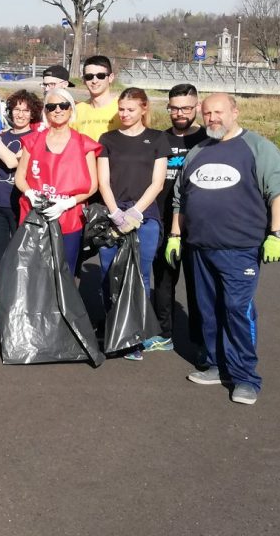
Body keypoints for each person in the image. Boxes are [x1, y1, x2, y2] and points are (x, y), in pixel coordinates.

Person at [168, 93, 280, 406]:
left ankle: (245, 377)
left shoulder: (257, 148)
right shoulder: (198, 151)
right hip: (199, 247)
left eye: (218, 112)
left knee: (237, 310)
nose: (212, 119)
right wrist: (174, 234)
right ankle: (215, 364)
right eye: (207, 113)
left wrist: (277, 234)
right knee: (207, 310)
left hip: (240, 249)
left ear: (235, 112)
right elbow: (180, 198)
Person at [96, 87, 169, 359]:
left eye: (130, 109)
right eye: (121, 109)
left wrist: (136, 213)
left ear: (143, 109)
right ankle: (114, 331)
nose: (124, 114)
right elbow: (103, 181)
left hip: (144, 218)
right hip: (112, 215)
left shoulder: (157, 139)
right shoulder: (108, 139)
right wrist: (115, 213)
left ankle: (135, 337)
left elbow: (157, 182)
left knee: (141, 275)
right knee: (108, 273)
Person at [145, 83, 207, 353]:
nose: (180, 113)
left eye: (186, 108)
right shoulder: (160, 140)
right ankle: (163, 333)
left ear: (197, 107)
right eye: (174, 108)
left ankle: (201, 338)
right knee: (163, 281)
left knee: (199, 285)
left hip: (196, 226)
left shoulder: (208, 140)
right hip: (162, 221)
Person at [15, 87, 101, 278]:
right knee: (34, 271)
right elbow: (20, 177)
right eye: (51, 106)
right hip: (35, 216)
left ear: (71, 109)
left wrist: (67, 203)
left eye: (63, 105)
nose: (58, 110)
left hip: (69, 218)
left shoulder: (84, 143)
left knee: (65, 271)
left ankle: (63, 308)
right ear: (45, 111)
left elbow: (92, 185)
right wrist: (30, 193)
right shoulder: (32, 141)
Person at [0, 90, 40, 276]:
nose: (20, 114)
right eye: (16, 109)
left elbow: (13, 161)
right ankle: (1, 300)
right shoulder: (3, 136)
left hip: (18, 204)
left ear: (33, 114)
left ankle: (20, 300)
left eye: (25, 110)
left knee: (21, 256)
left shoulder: (35, 139)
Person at [73, 55, 119, 141]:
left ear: (111, 78)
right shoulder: (76, 111)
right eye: (89, 77)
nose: (94, 81)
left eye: (100, 76)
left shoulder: (122, 109)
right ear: (83, 80)